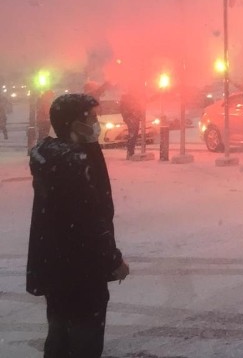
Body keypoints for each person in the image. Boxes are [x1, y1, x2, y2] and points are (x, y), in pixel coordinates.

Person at [27, 93, 130, 357]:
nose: (97, 123)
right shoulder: (74, 163)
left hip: (57, 268)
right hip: (82, 270)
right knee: (85, 341)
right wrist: (113, 260)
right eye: (92, 118)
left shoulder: (56, 158)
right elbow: (90, 219)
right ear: (74, 124)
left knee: (60, 336)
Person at [118, 90, 144, 159]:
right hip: (132, 119)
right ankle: (130, 152)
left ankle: (130, 152)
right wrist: (132, 113)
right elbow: (125, 111)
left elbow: (139, 107)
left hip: (134, 118)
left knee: (134, 135)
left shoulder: (132, 100)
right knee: (133, 135)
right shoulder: (127, 100)